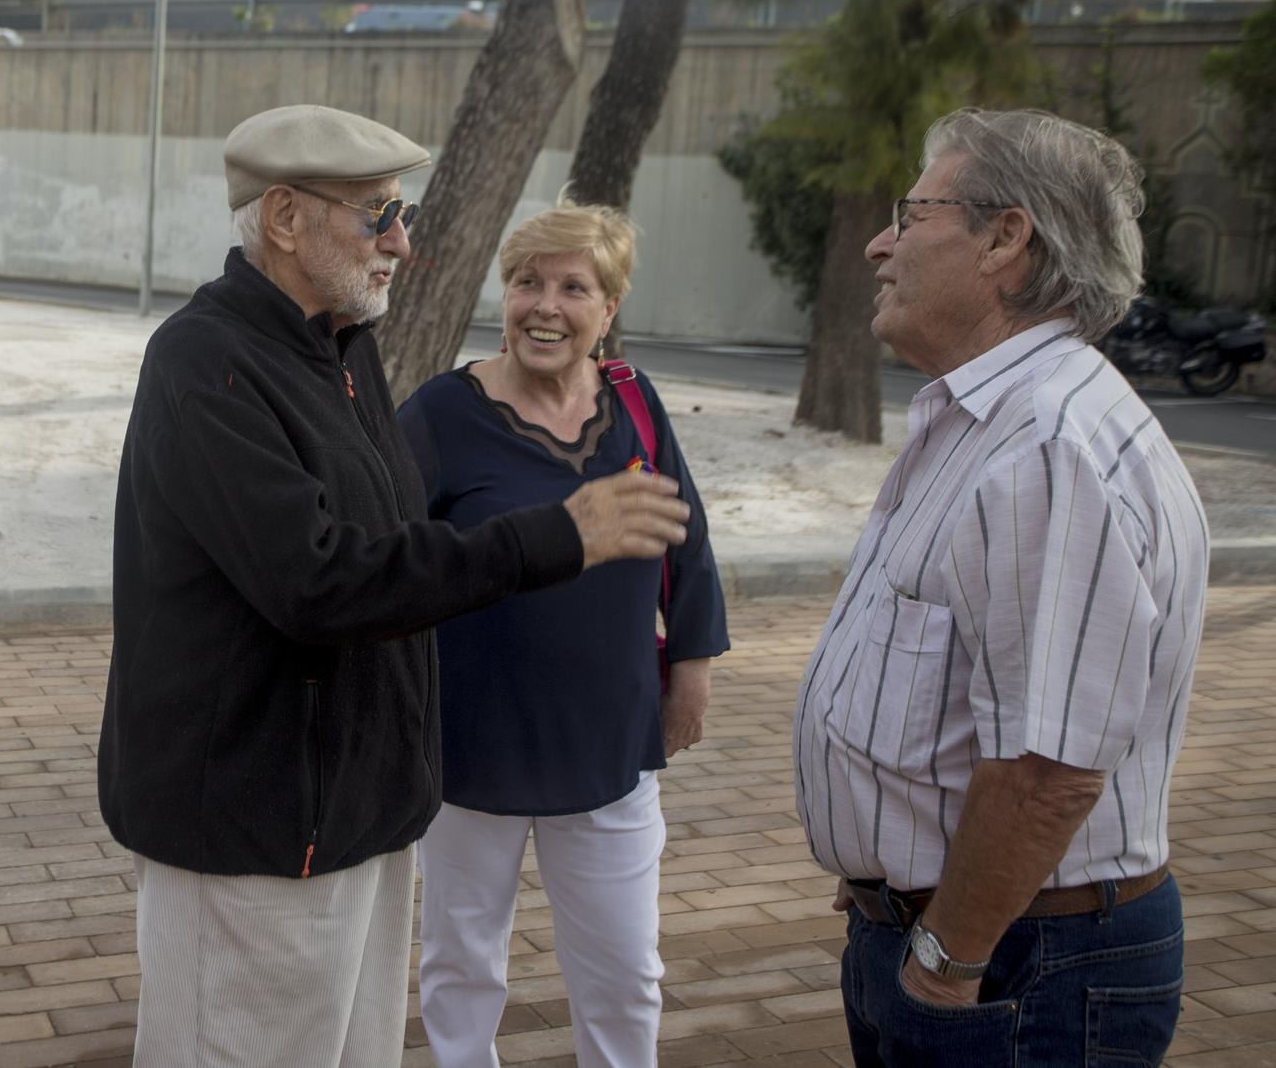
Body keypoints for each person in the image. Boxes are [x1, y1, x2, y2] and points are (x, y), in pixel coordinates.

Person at [98, 104, 693, 1067]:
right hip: (258, 832)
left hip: (358, 822)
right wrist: (555, 535)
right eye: (380, 214)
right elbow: (321, 581)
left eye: (401, 213)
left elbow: (397, 545)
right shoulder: (207, 360)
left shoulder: (339, 346)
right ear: (286, 218)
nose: (403, 243)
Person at [792, 108, 1208, 1068]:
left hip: (1016, 966)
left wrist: (940, 962)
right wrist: (880, 863)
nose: (879, 240)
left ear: (1006, 239)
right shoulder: (991, 417)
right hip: (966, 937)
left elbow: (1048, 770)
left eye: (913, 212)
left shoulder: (1047, 446)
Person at [398, 203, 728, 1068]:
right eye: (526, 282)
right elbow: (389, 566)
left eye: (572, 287)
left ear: (608, 308)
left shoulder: (633, 401)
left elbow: (685, 537)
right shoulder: (440, 412)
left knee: (624, 971)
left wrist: (691, 667)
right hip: (474, 742)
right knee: (462, 964)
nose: (544, 305)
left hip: (610, 739)